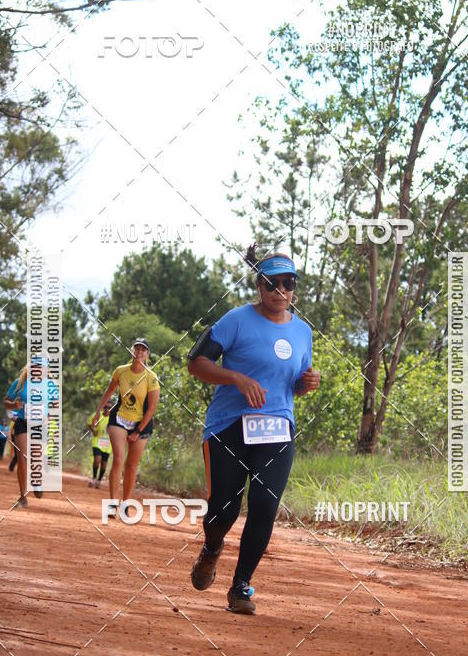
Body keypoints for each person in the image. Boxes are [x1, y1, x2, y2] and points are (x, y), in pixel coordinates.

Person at [187, 247, 320, 614]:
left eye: (288, 283)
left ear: (295, 286)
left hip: (277, 429)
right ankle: (212, 548)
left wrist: (305, 384)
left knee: (264, 506)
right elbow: (196, 362)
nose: (280, 291)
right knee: (223, 511)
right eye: (271, 284)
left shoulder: (302, 332)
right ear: (258, 286)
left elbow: (291, 384)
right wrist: (235, 378)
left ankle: (241, 586)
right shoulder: (236, 320)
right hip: (228, 427)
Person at [92, 339, 160, 517]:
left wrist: (137, 431)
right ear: (131, 351)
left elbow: (152, 408)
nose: (139, 352)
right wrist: (99, 410)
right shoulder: (121, 371)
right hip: (119, 419)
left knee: (131, 465)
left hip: (141, 424)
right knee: (119, 459)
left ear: (147, 355)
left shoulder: (151, 378)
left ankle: (126, 504)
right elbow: (110, 390)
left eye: (143, 350)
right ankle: (113, 504)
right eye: (136, 348)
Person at [4, 365, 42, 507]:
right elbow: (5, 402)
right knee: (22, 458)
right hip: (22, 423)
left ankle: (37, 481)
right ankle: (23, 496)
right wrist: (14, 405)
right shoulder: (19, 383)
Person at [87, 399, 115, 487]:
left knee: (104, 465)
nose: (107, 409)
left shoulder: (114, 419)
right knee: (97, 460)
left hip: (108, 445)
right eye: (106, 407)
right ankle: (94, 478)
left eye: (109, 408)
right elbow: (89, 424)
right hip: (97, 442)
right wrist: (93, 431)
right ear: (103, 407)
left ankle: (99, 480)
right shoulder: (97, 416)